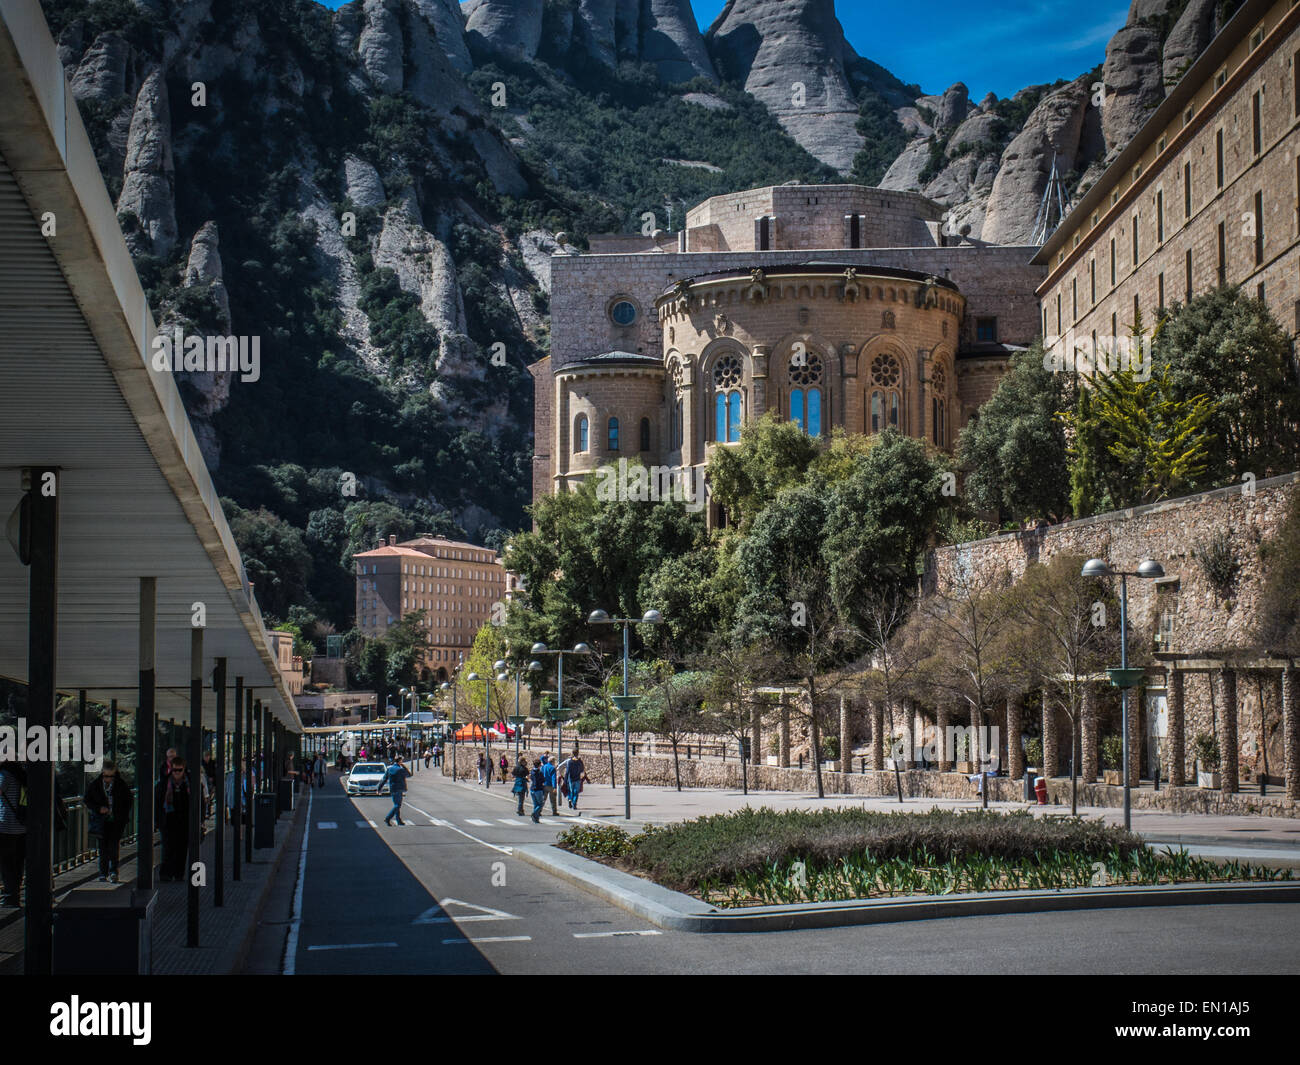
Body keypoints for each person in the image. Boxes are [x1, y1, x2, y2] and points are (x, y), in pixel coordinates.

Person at [84, 760, 133, 883]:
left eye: (111, 776)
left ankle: (113, 872)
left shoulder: (121, 785)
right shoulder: (95, 785)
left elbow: (128, 801)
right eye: (106, 776)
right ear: (102, 773)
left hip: (116, 821)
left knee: (113, 847)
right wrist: (98, 808)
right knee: (102, 847)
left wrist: (122, 815)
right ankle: (103, 873)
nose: (109, 779)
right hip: (101, 821)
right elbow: (87, 800)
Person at [155, 756, 191, 882]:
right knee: (168, 848)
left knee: (182, 848)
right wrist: (157, 821)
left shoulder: (190, 784)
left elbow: (199, 803)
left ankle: (179, 874)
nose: (176, 773)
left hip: (185, 822)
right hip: (168, 822)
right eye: (174, 770)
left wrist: (200, 820)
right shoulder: (164, 784)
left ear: (184, 769)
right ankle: (166, 873)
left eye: (179, 770)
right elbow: (157, 803)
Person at [0, 761, 27, 907]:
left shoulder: (5, 775)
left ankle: (9, 897)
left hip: (6, 825)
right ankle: (14, 894)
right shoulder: (22, 775)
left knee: (6, 863)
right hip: (21, 826)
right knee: (17, 863)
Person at [383, 756, 411, 826]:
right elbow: (409, 775)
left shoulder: (389, 769)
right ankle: (387, 818)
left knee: (396, 805)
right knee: (397, 805)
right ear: (400, 761)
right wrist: (403, 766)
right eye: (402, 761)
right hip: (399, 789)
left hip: (392, 789)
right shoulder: (400, 769)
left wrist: (379, 788)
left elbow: (384, 779)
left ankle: (398, 820)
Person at [529, 758, 547, 823]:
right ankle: (534, 813)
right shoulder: (540, 772)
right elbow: (543, 780)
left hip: (532, 789)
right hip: (538, 789)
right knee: (540, 804)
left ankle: (536, 818)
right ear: (539, 765)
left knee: (535, 804)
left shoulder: (532, 772)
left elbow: (531, 778)